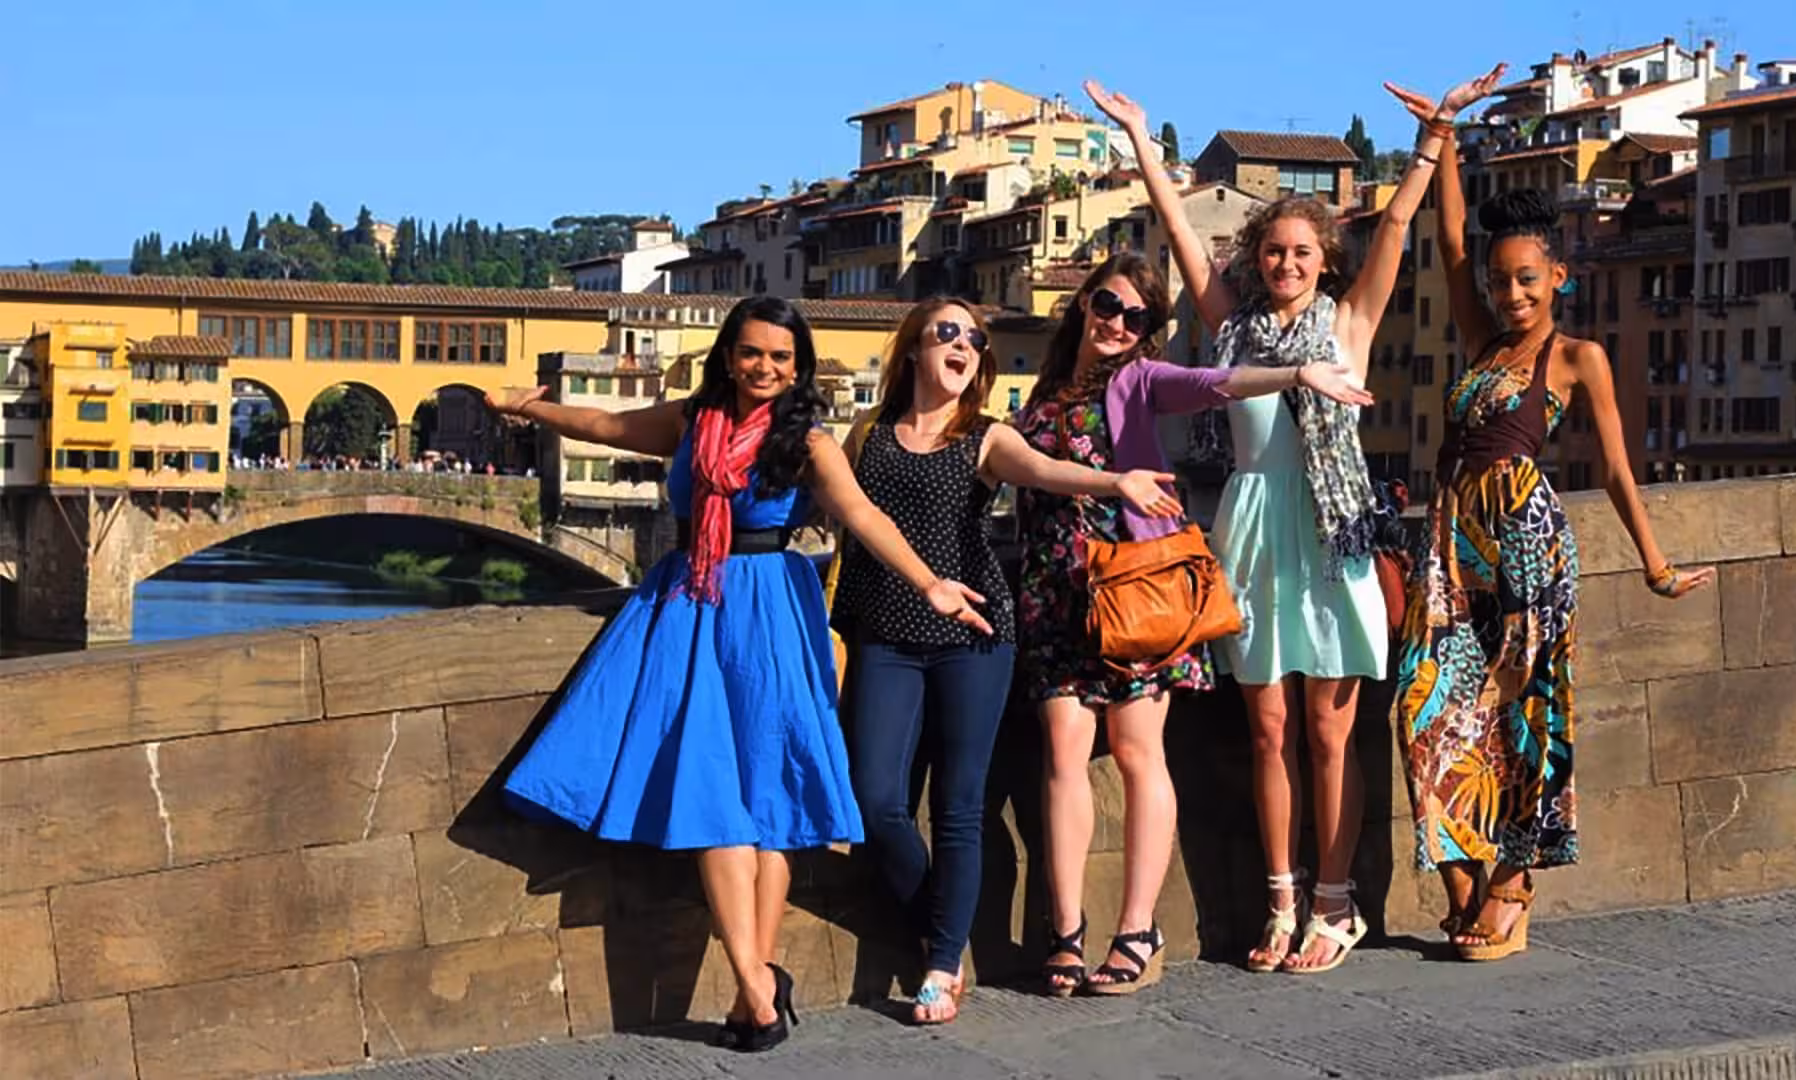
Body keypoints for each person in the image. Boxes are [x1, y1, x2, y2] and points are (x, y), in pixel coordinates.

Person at [484, 296, 992, 1052]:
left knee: (769, 803)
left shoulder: (809, 441)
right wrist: (533, 411)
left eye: (781, 358)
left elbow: (862, 518)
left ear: (799, 367)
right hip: (691, 604)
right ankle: (758, 985)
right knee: (712, 794)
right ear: (728, 355)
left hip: (770, 613)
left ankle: (754, 989)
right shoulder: (693, 422)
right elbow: (605, 426)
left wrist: (931, 584)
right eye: (753, 353)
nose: (765, 368)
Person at [1088, 69, 1504, 977]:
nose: (1284, 265)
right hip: (1252, 532)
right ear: (1256, 260)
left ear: (1323, 264)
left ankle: (1336, 899)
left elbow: (1394, 226)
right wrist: (1139, 139)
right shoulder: (1229, 330)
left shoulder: (1348, 324)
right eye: (1273, 253)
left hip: (1335, 536)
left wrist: (1434, 139)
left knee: (1329, 730)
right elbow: (1179, 238)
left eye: (1300, 254)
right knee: (1267, 730)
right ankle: (1281, 894)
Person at [1389, 86, 1715, 961]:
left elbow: (1613, 465)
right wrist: (1444, 140)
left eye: (1525, 279)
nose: (1509, 293)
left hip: (1528, 542)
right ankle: (1463, 876)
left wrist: (1654, 563)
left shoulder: (1577, 358)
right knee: (1425, 708)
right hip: (1451, 548)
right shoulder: (1481, 341)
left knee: (1526, 714)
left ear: (1558, 278)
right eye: (1500, 282)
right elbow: (1452, 246)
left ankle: (1511, 886)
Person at [1014, 249, 1372, 997]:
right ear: (1084, 303)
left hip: (1136, 587)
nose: (1118, 323)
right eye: (1108, 306)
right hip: (1057, 592)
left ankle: (1138, 930)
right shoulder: (1041, 392)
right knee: (1062, 752)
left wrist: (1298, 374)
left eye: (1137, 318)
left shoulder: (1140, 380)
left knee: (1139, 750)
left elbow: (1217, 382)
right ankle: (1065, 933)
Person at [828, 296, 1182, 1024]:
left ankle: (940, 963)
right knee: (874, 802)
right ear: (914, 349)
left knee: (959, 806)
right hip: (884, 633)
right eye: (947, 333)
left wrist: (1114, 482)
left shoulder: (984, 436)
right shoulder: (866, 434)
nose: (963, 345)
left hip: (974, 634)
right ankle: (943, 925)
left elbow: (1046, 470)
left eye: (975, 339)